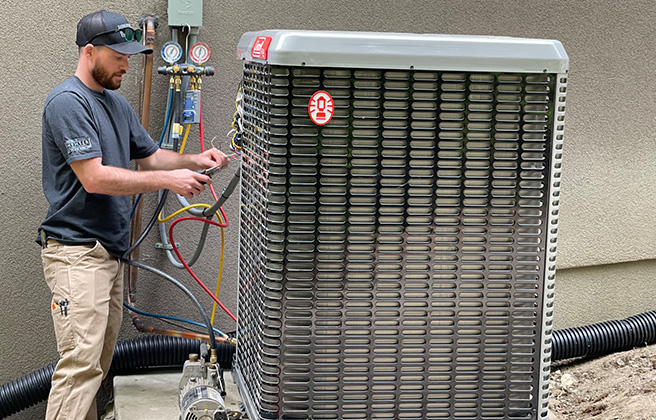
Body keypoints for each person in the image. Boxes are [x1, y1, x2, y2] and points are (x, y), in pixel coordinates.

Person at [37, 10, 228, 420]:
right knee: (80, 370)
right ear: (90, 52)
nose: (127, 63)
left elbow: (151, 156)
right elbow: (94, 178)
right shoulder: (67, 103)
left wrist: (195, 161)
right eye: (118, 55)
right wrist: (168, 182)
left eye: (130, 55)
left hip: (108, 255)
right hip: (76, 255)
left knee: (95, 369)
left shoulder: (116, 105)